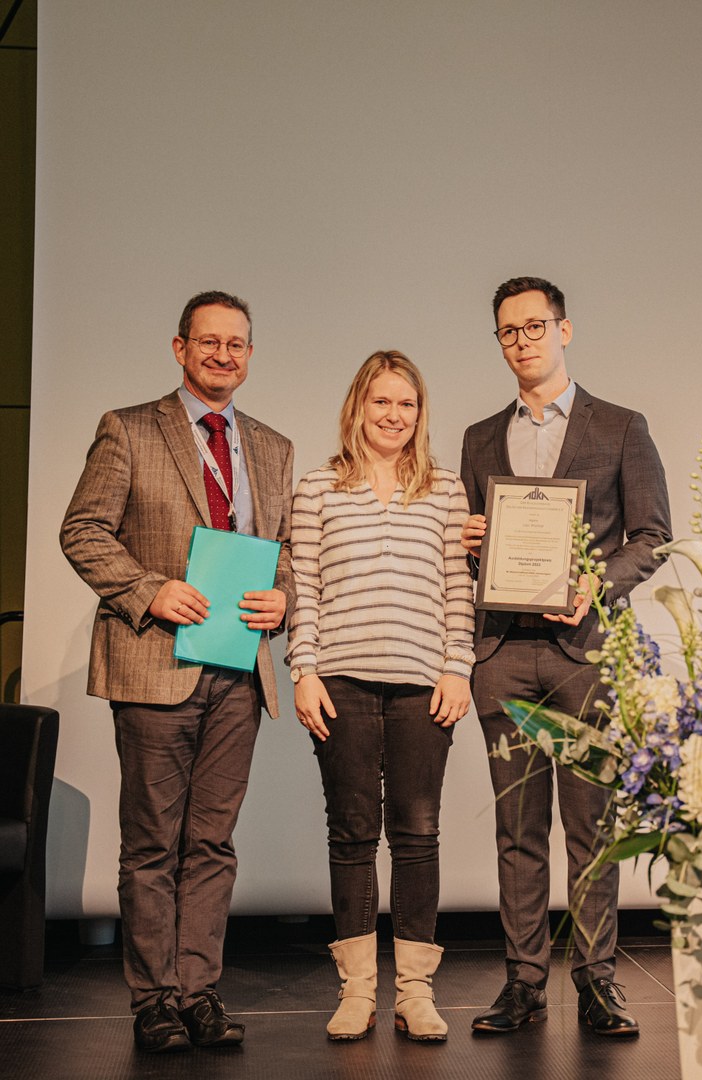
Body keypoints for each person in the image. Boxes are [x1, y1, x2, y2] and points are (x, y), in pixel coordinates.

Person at [60, 291, 294, 1053]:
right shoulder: (128, 429)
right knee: (153, 843)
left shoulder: (272, 446)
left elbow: (284, 549)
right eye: (210, 342)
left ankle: (198, 992)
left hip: (237, 671)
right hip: (156, 664)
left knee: (213, 844)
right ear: (179, 348)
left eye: (237, 345)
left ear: (250, 355)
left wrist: (282, 598)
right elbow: (82, 530)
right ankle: (153, 1000)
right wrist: (148, 590)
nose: (224, 355)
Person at [460, 276, 672, 1037]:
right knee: (516, 830)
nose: (522, 341)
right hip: (504, 657)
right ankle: (522, 983)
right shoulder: (481, 437)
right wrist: (468, 539)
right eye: (508, 332)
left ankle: (595, 982)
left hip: (584, 656)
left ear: (564, 329)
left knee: (592, 829)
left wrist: (596, 582)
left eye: (534, 327)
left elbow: (651, 534)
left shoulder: (619, 425)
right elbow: (472, 543)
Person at [287, 350, 475, 1043]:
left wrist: (457, 667)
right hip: (340, 679)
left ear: (420, 414)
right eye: (381, 402)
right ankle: (359, 991)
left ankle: (415, 993)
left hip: (424, 682)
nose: (393, 415)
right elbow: (302, 586)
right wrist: (302, 669)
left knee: (417, 834)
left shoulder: (447, 490)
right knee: (351, 834)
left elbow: (459, 592)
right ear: (357, 408)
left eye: (406, 404)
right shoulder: (316, 488)